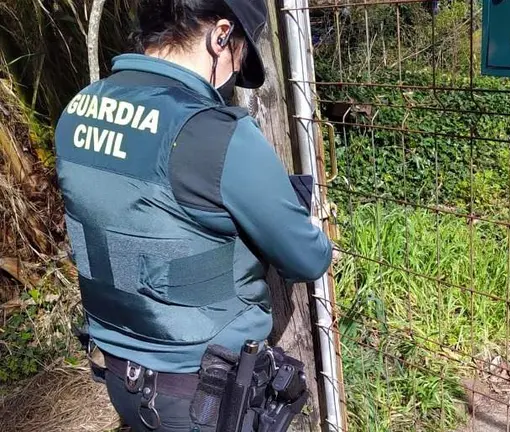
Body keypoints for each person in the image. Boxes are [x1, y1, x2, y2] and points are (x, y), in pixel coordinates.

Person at [53, 0, 333, 430]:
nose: (235, 76)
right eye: (239, 56)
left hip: (117, 375)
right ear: (221, 35)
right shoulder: (216, 135)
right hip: (202, 397)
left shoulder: (78, 111)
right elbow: (308, 258)